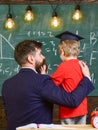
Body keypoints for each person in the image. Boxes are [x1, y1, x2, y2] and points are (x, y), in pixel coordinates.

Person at [1, 40, 94, 130]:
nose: (43, 57)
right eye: (40, 54)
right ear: (31, 59)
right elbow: (72, 101)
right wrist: (86, 78)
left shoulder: (6, 84)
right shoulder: (42, 82)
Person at [50, 31, 89, 124]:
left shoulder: (63, 66)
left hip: (68, 111)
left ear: (62, 52)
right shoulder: (83, 65)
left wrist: (43, 76)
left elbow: (52, 83)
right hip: (82, 109)